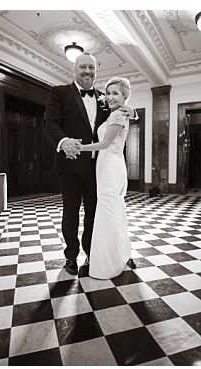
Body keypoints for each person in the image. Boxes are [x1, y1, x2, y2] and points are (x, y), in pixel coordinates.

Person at [43, 53, 132, 275]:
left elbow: (118, 117)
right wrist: (63, 142)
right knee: (70, 213)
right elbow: (49, 122)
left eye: (91, 67)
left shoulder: (104, 97)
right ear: (74, 69)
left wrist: (135, 112)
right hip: (69, 166)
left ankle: (93, 252)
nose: (87, 71)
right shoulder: (60, 92)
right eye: (82, 66)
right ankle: (71, 257)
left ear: (96, 71)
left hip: (97, 168)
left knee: (95, 213)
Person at [78, 77, 133, 279]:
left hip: (110, 167)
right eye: (108, 93)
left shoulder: (118, 115)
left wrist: (79, 147)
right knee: (112, 212)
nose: (110, 97)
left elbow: (105, 143)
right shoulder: (113, 114)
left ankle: (109, 263)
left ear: (124, 96)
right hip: (106, 165)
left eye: (115, 93)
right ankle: (117, 255)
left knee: (109, 212)